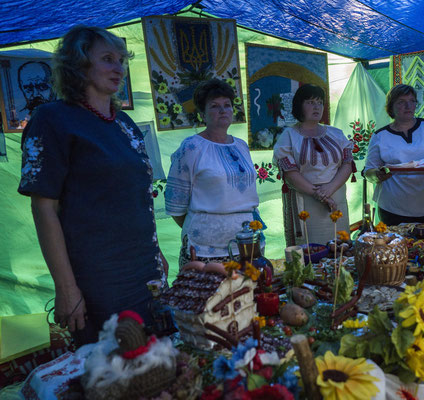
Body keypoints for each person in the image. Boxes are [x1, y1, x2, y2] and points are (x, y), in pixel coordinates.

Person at [18, 26, 168, 346]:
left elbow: (137, 195)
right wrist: (66, 287)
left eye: (122, 60)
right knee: (111, 371)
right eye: (107, 59)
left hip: (145, 268)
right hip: (99, 277)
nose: (119, 68)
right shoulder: (52, 119)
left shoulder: (124, 123)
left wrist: (156, 253)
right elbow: (44, 207)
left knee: (153, 366)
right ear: (79, 64)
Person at [165, 79, 263, 266]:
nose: (223, 110)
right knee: (207, 295)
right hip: (205, 250)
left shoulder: (241, 145)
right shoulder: (192, 147)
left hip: (247, 242)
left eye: (227, 105)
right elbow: (176, 205)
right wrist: (205, 227)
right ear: (202, 114)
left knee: (247, 293)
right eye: (215, 106)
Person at [273, 84, 353, 246]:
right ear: (299, 106)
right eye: (310, 102)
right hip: (305, 200)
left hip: (335, 198)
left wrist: (329, 189)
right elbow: (290, 174)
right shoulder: (288, 136)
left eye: (320, 102)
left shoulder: (336, 134)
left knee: (339, 247)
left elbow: (347, 164)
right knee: (310, 249)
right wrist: (320, 194)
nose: (316, 107)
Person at [364, 84, 424, 225]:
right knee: (397, 246)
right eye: (401, 102)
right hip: (393, 208)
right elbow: (369, 171)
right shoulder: (380, 136)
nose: (408, 106)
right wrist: (378, 175)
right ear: (391, 107)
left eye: (412, 101)